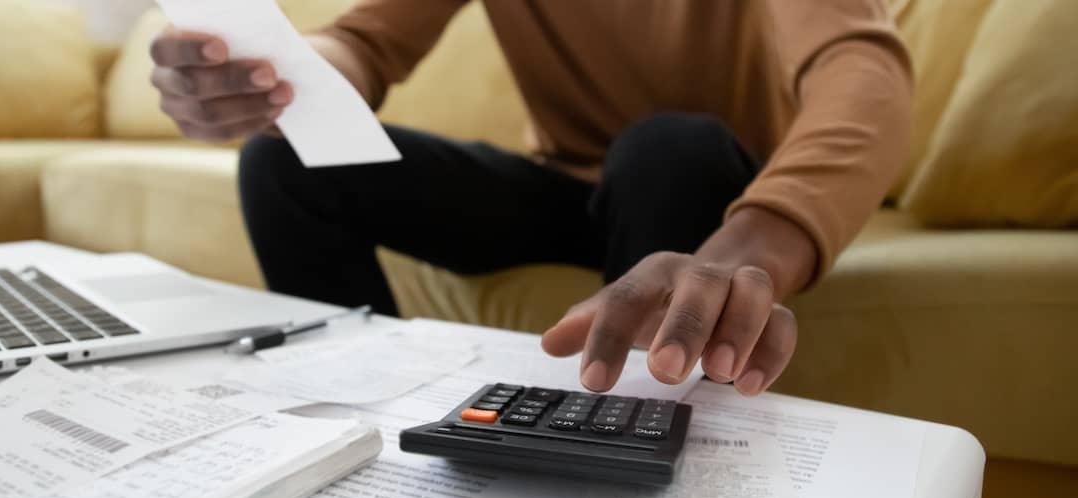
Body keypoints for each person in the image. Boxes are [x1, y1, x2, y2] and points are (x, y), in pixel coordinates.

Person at [149, 1, 911, 396]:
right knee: (283, 163)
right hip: (563, 188)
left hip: (705, 202)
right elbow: (365, 41)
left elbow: (862, 67)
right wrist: (272, 82)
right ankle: (360, 417)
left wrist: (752, 245)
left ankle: (629, 440)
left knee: (665, 146)